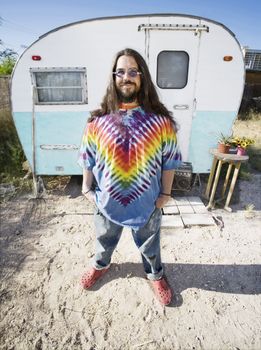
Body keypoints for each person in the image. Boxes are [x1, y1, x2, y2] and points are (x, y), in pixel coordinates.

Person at [78, 48, 181, 306]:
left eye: (133, 71)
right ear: (114, 78)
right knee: (104, 240)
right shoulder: (97, 121)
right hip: (106, 201)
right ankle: (100, 265)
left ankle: (155, 274)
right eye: (121, 72)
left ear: (142, 77)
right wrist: (86, 188)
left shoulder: (161, 122)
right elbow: (87, 156)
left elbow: (170, 160)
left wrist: (165, 194)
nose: (127, 77)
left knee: (150, 245)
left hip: (147, 203)